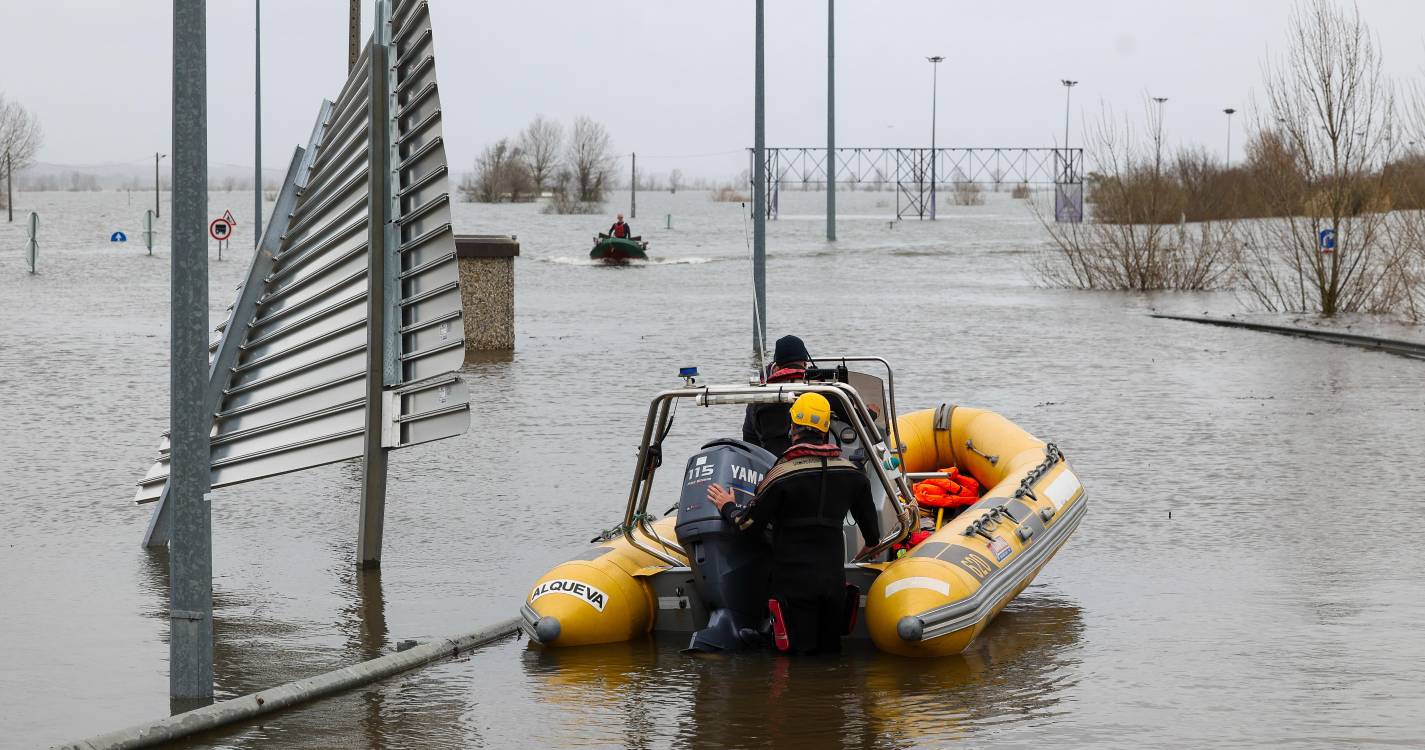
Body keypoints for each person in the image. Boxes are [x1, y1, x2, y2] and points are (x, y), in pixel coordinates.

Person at [709, 392, 880, 655]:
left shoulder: (781, 474)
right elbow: (872, 535)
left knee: (796, 657)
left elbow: (746, 525)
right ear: (826, 430)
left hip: (793, 585)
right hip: (833, 584)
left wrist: (727, 506)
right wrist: (866, 550)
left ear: (793, 428)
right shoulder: (852, 474)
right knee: (829, 653)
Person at [742, 334, 810, 456]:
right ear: (805, 364)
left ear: (777, 368)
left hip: (772, 465)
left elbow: (749, 440)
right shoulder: (822, 391)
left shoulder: (759, 398)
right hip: (813, 464)